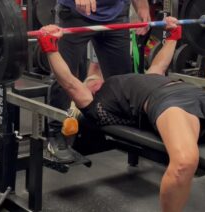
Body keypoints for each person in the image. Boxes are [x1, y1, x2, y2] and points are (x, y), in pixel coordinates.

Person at [37, 17, 205, 212]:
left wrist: (172, 35)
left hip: (195, 95)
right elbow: (69, 82)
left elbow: (159, 64)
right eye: (88, 80)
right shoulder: (95, 105)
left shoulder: (133, 78)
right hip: (165, 102)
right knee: (185, 162)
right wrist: (50, 47)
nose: (92, 77)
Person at [48, 0, 151, 162]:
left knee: (122, 82)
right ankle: (55, 133)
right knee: (64, 75)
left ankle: (120, 130)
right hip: (75, 13)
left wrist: (142, 7)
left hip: (116, 14)